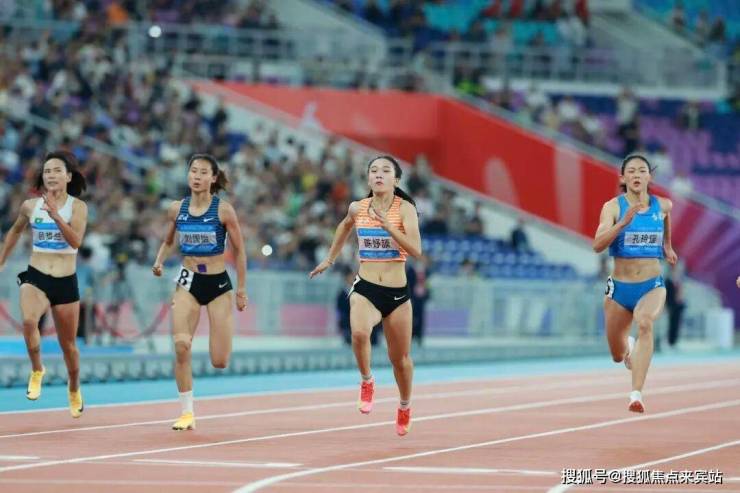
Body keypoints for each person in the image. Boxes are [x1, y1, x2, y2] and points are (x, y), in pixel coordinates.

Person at [310, 155, 422, 436]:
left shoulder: (405, 209)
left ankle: (404, 405)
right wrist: (330, 258)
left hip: (397, 294)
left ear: (396, 180)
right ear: (368, 178)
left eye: (385, 171)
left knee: (401, 360)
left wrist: (389, 227)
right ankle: (367, 380)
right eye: (374, 170)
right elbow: (344, 226)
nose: (379, 174)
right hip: (366, 287)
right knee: (359, 334)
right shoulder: (358, 207)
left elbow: (416, 250)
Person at [152, 154, 248, 431]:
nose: (197, 176)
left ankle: (216, 359)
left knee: (220, 360)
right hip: (188, 281)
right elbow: (168, 241)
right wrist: (159, 260)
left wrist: (241, 289)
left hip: (217, 284)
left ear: (213, 178)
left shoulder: (224, 211)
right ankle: (186, 412)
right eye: (193, 171)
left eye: (203, 172)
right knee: (181, 346)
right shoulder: (176, 209)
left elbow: (240, 251)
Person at [0, 150, 88, 417]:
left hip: (65, 281)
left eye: (57, 171)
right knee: (29, 321)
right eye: (47, 171)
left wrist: (57, 216)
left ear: (68, 177)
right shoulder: (30, 206)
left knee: (68, 346)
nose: (51, 175)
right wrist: (2, 260)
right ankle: (37, 369)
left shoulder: (78, 207)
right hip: (36, 274)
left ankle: (74, 387)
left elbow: (76, 241)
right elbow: (15, 230)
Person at [592, 154, 677, 413]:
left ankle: (636, 394)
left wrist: (667, 245)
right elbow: (597, 245)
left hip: (651, 285)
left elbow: (666, 217)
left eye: (642, 170)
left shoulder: (662, 205)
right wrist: (623, 223)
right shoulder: (612, 207)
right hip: (619, 290)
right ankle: (628, 350)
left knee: (645, 322)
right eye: (631, 171)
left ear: (649, 176)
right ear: (623, 177)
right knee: (617, 355)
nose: (637, 175)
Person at [336, 265, 381, 347]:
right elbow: (341, 313)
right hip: (351, 328)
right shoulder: (342, 294)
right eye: (352, 275)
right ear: (346, 277)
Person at [407, 255, 431, 346]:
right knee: (412, 317)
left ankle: (419, 335)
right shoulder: (411, 270)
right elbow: (408, 284)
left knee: (421, 317)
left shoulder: (426, 270)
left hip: (422, 297)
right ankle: (412, 335)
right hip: (413, 297)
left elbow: (428, 284)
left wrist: (427, 295)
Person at [664, 263, 686, 350]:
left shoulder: (679, 281)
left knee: (677, 324)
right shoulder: (668, 280)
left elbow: (681, 293)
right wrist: (666, 305)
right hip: (671, 305)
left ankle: (674, 342)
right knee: (671, 324)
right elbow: (666, 294)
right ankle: (670, 342)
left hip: (678, 306)